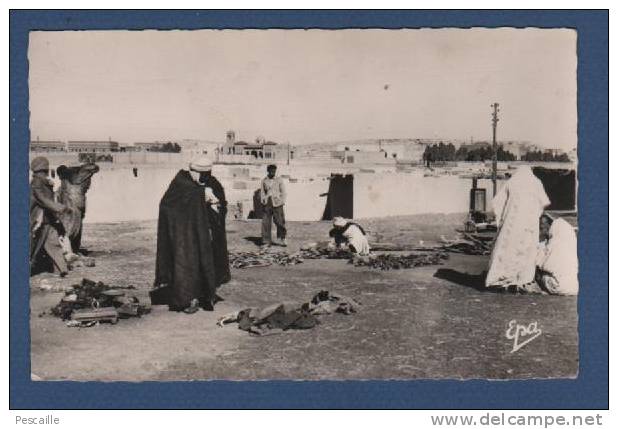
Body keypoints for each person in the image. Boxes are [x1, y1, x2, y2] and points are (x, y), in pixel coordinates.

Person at [152, 156, 230, 314]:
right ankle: (188, 299)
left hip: (203, 234)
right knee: (187, 266)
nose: (204, 178)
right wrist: (201, 196)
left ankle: (203, 295)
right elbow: (167, 205)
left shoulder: (209, 184)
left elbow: (220, 203)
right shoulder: (181, 183)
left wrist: (215, 206)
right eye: (203, 175)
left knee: (205, 264)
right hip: (184, 236)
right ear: (194, 171)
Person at [485, 165, 550, 290]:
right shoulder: (536, 182)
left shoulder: (512, 181)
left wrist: (501, 219)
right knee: (526, 250)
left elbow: (497, 202)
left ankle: (499, 279)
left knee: (507, 249)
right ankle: (520, 281)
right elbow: (544, 202)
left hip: (512, 223)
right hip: (528, 223)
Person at [30, 156, 70, 276]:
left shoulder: (44, 182)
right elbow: (43, 200)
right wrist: (61, 208)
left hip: (48, 219)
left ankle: (61, 270)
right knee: (32, 247)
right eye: (44, 171)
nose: (45, 173)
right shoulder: (37, 183)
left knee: (53, 244)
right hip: (38, 221)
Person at [535, 216, 578, 295]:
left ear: (546, 225)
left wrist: (540, 247)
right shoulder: (566, 234)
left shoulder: (554, 242)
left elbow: (545, 265)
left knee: (537, 269)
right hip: (574, 287)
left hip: (560, 287)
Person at [261, 164, 287, 247]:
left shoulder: (279, 180)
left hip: (277, 203)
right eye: (271, 171)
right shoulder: (264, 180)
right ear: (268, 171)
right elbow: (262, 192)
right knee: (266, 222)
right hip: (267, 203)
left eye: (274, 171)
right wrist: (263, 200)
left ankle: (282, 238)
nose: (273, 173)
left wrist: (282, 201)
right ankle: (266, 241)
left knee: (279, 221)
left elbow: (283, 192)